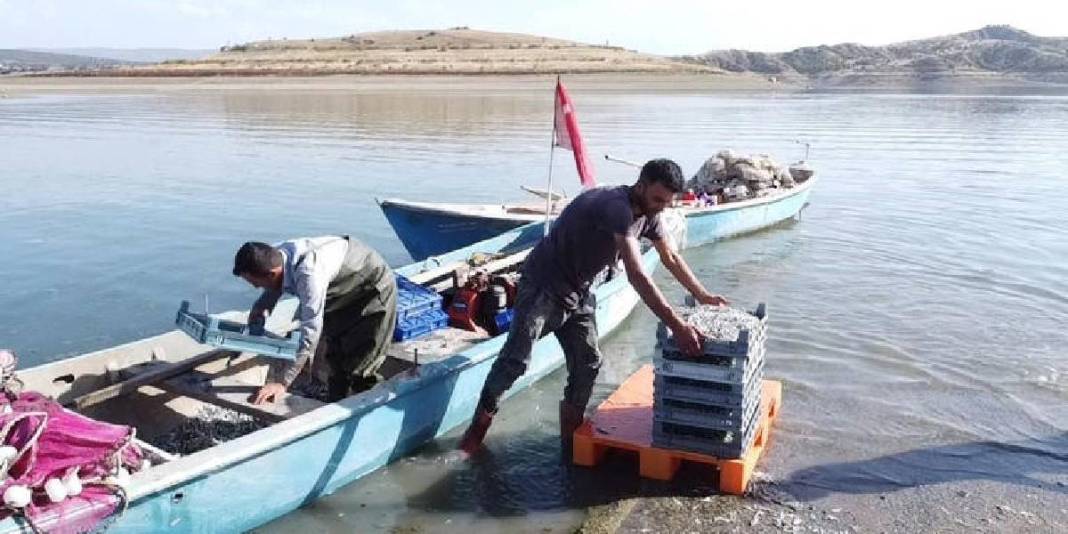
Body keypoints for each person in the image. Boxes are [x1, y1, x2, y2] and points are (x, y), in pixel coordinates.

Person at [459, 159, 728, 455]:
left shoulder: (650, 214)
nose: (661, 208)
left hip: (579, 290)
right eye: (657, 200)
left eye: (667, 202)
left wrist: (703, 295)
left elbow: (671, 257)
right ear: (641, 186)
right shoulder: (616, 207)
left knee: (588, 363)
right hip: (543, 285)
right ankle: (475, 434)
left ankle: (570, 439)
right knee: (515, 361)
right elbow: (637, 274)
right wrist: (678, 326)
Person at [231, 236, 396, 404]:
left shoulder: (310, 274)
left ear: (271, 273)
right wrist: (262, 305)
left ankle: (377, 407)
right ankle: (335, 405)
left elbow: (310, 333)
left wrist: (282, 382)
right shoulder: (272, 255)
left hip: (371, 287)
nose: (257, 287)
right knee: (335, 356)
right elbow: (276, 281)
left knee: (361, 365)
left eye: (257, 284)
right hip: (339, 289)